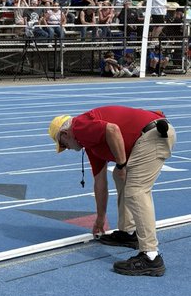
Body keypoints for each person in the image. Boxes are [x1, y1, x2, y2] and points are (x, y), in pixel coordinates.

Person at [48, 106, 176, 277]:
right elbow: (100, 182)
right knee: (120, 176)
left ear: (65, 134)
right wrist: (100, 219)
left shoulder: (78, 127)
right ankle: (128, 233)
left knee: (137, 190)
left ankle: (151, 256)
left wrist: (122, 165)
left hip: (153, 135)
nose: (68, 148)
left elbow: (112, 129)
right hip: (149, 135)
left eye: (64, 145)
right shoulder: (90, 144)